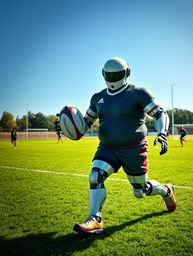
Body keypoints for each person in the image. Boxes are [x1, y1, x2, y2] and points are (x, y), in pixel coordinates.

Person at [56, 57, 177, 235]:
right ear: (103, 75)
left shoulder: (139, 93)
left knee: (140, 191)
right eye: (110, 75)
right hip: (107, 148)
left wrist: (162, 133)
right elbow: (85, 123)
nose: (113, 78)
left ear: (127, 73)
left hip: (134, 149)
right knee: (95, 176)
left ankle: (166, 190)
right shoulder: (97, 98)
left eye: (117, 74)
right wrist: (66, 124)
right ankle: (95, 218)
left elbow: (160, 113)